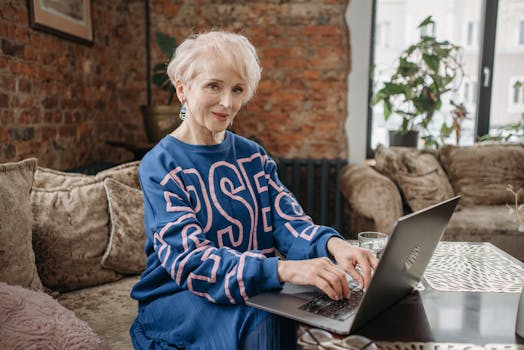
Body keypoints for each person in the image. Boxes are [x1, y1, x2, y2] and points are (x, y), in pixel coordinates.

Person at [130, 31, 377, 350]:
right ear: (183, 89)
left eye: (237, 89)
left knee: (341, 300)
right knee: (266, 318)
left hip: (252, 288)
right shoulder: (159, 165)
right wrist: (284, 269)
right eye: (213, 86)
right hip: (178, 297)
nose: (228, 103)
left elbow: (291, 223)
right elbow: (190, 261)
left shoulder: (253, 156)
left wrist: (334, 245)